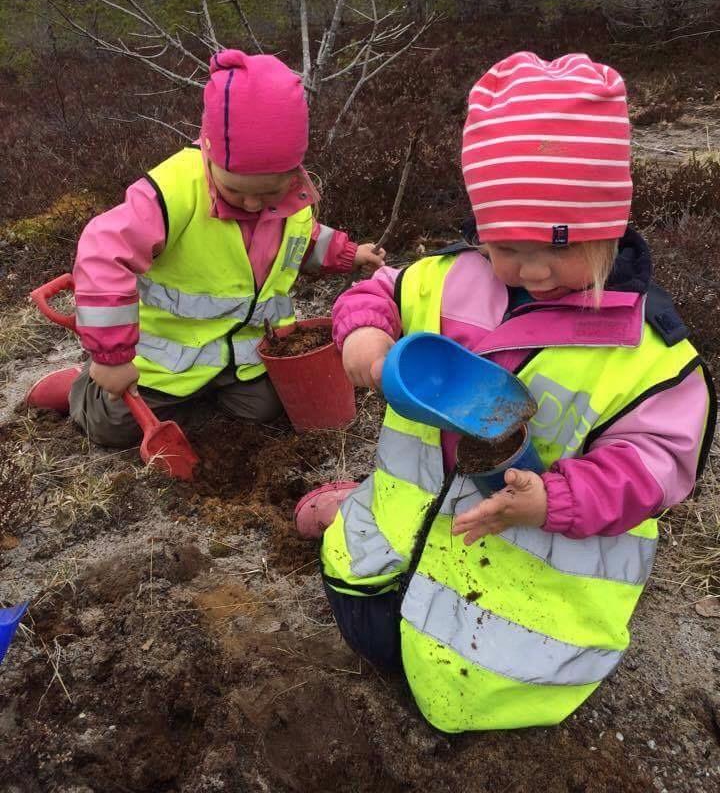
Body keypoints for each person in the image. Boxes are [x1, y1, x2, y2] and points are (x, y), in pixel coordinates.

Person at [294, 52, 716, 733]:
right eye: (508, 246)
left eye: (563, 247)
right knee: (353, 599)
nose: (535, 269)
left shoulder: (650, 357)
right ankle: (355, 508)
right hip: (386, 563)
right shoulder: (446, 280)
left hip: (515, 617)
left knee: (474, 696)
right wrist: (365, 339)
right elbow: (377, 291)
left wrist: (555, 498)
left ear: (610, 227)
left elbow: (659, 465)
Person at [27, 50, 385, 444]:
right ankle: (78, 388)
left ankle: (201, 401)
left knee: (269, 408)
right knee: (112, 426)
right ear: (210, 154)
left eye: (268, 193)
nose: (253, 205)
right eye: (236, 191)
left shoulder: (291, 199)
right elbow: (102, 254)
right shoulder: (172, 192)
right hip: (165, 364)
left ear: (294, 172)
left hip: (242, 360)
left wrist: (350, 255)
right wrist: (111, 358)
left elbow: (304, 238)